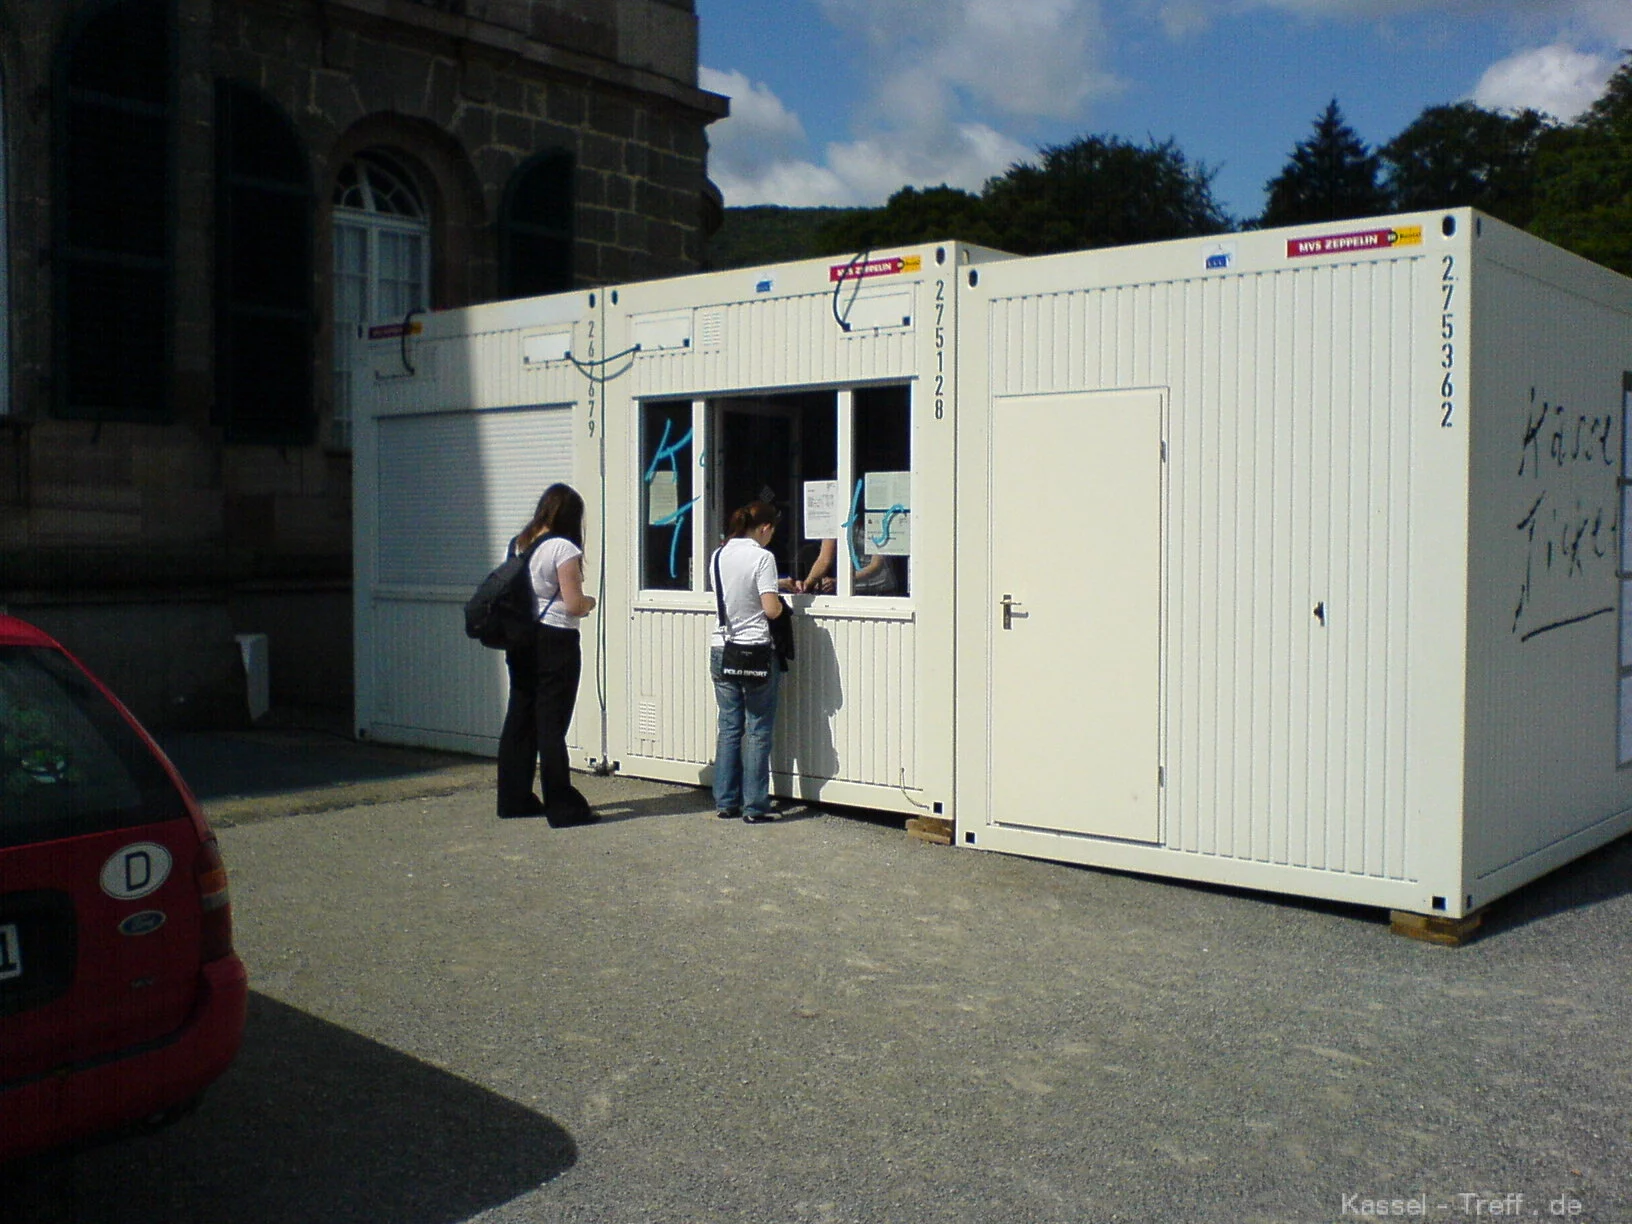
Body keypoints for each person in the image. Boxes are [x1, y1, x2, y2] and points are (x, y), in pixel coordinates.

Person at [496, 483, 598, 825]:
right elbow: (572, 604)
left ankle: (514, 798)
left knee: (520, 718)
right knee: (551, 725)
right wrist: (590, 603)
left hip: (521, 639)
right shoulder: (562, 547)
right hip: (556, 640)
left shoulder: (518, 543)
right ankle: (562, 806)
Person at [710, 500, 785, 823]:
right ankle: (754, 806)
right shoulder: (763, 557)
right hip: (754, 650)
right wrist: (780, 599)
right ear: (765, 528)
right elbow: (771, 610)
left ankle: (725, 801)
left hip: (722, 648)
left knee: (729, 727)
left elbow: (736, 591)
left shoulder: (718, 554)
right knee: (757, 729)